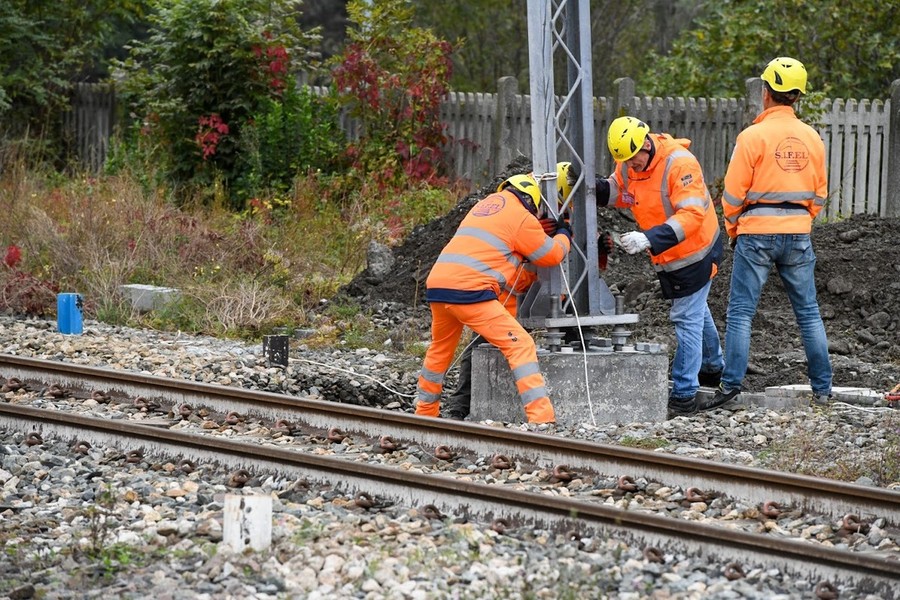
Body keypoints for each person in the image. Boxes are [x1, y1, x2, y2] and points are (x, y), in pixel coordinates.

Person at [711, 56, 832, 408]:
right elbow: (820, 194)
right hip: (798, 234)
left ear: (766, 93)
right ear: (797, 96)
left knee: (741, 313)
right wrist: (801, 221)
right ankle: (822, 390)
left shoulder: (752, 136)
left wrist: (734, 229)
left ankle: (730, 387)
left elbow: (732, 194)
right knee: (808, 313)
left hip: (756, 233)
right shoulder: (812, 138)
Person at [415, 167, 572, 424]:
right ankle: (542, 419)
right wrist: (564, 234)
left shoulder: (483, 207)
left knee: (439, 351)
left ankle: (424, 414)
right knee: (520, 345)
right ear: (531, 201)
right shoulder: (522, 217)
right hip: (470, 291)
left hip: (438, 286)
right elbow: (552, 255)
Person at [598, 116, 725, 418]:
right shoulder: (629, 164)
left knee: (685, 315)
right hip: (669, 255)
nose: (631, 167)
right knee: (695, 310)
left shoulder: (680, 164)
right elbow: (620, 190)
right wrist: (592, 189)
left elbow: (692, 214)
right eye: (624, 162)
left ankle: (684, 394)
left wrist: (648, 238)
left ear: (645, 144)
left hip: (697, 251)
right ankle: (713, 366)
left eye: (634, 160)